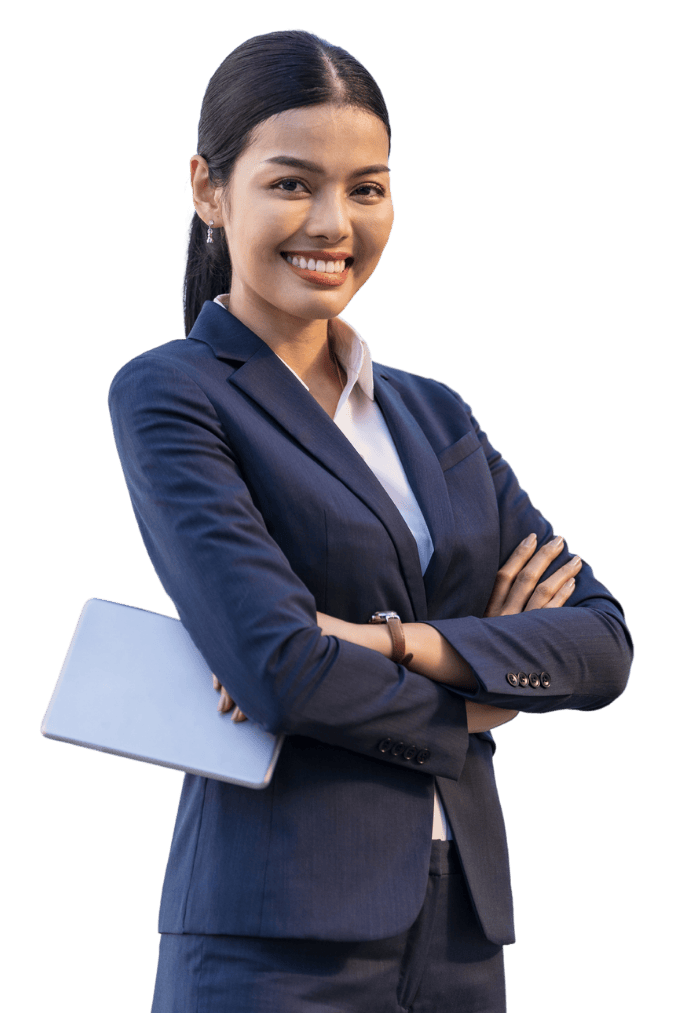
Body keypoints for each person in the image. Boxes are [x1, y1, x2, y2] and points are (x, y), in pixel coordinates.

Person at [107, 28, 633, 1013]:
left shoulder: (434, 413)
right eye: (291, 184)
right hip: (276, 937)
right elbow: (279, 666)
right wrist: (486, 692)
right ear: (209, 190)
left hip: (463, 929)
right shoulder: (173, 392)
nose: (332, 221)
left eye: (366, 186)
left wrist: (405, 642)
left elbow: (602, 640)